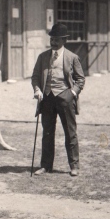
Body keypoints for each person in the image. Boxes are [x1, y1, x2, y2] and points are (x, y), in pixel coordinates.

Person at [31, 22, 85, 176]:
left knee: (70, 132)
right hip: (47, 98)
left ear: (64, 41)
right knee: (47, 132)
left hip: (65, 97)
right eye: (51, 39)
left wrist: (72, 94)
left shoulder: (72, 58)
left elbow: (80, 79)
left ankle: (74, 166)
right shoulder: (43, 57)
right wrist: (37, 89)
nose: (53, 42)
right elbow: (35, 77)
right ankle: (46, 166)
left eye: (56, 39)